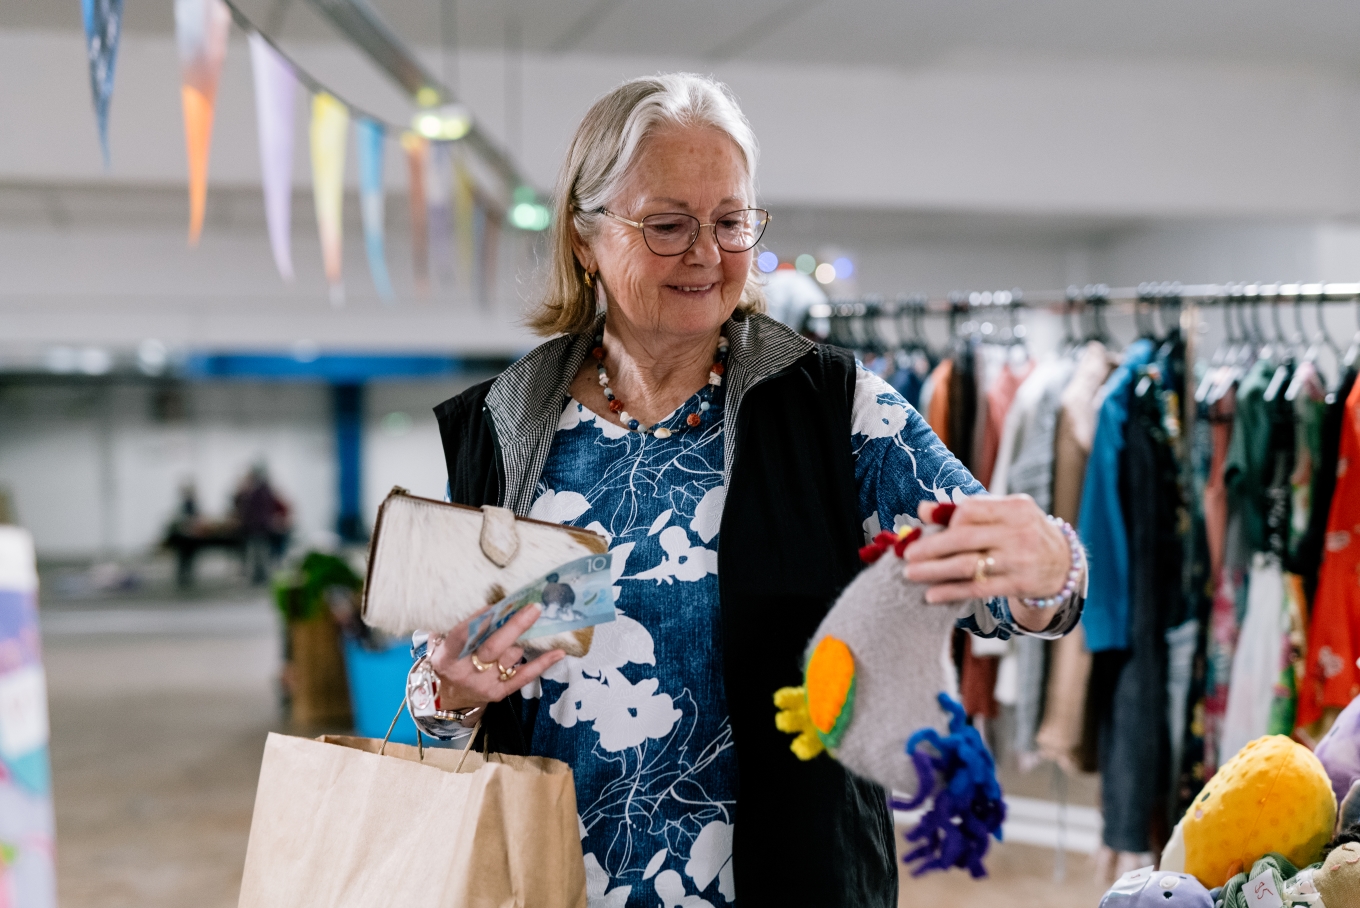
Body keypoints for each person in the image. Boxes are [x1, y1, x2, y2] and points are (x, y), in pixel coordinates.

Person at [422, 73, 1084, 907]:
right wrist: (447, 693)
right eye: (668, 225)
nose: (706, 253)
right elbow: (444, 678)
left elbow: (998, 591)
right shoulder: (504, 426)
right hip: (550, 882)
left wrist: (1050, 562)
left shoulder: (836, 411)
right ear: (586, 239)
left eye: (731, 221)